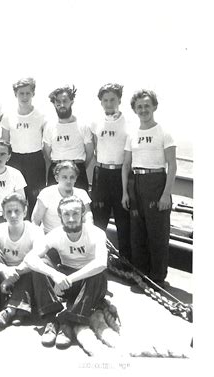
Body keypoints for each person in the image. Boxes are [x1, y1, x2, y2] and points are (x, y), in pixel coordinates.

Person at [25, 196, 108, 349]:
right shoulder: (56, 234)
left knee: (98, 273)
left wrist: (68, 279)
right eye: (66, 215)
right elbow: (29, 258)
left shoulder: (96, 233)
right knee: (40, 264)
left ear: (83, 214)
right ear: (60, 217)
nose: (71, 219)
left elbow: (101, 263)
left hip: (89, 283)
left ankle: (68, 322)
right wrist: (54, 274)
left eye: (75, 214)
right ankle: (51, 319)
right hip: (65, 280)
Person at [121, 89, 177, 286]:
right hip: (136, 182)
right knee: (137, 233)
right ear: (135, 110)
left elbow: (172, 165)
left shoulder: (164, 132)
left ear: (154, 107)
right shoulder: (132, 135)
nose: (143, 110)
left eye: (147, 105)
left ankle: (158, 278)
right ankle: (140, 275)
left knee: (157, 234)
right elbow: (126, 164)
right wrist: (125, 192)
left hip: (156, 182)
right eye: (139, 107)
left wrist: (166, 194)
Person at [0, 193, 45, 328]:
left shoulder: (35, 230)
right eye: (9, 211)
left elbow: (39, 254)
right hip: (4, 274)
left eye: (17, 211)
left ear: (25, 211)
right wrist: (4, 270)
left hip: (26, 275)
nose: (13, 215)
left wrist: (12, 276)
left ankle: (9, 310)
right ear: (3, 214)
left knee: (34, 261)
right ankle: (19, 311)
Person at [90, 83, 131, 260]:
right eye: (105, 100)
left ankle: (125, 260)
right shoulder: (95, 123)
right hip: (101, 174)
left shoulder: (129, 123)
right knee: (99, 220)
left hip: (121, 175)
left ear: (119, 100)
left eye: (112, 99)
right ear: (101, 103)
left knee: (123, 220)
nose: (109, 103)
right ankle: (98, 260)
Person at [1, 78, 47, 215]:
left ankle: (34, 228)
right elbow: (5, 142)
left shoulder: (42, 116)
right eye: (21, 93)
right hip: (15, 160)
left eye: (28, 93)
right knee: (15, 197)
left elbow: (46, 142)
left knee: (35, 197)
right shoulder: (8, 116)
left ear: (33, 94)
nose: (25, 97)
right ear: (16, 94)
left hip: (35, 160)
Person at [43, 85, 94, 190]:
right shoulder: (49, 126)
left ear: (71, 101)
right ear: (54, 104)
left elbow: (90, 152)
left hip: (77, 170)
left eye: (65, 101)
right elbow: (47, 153)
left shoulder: (83, 125)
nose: (62, 105)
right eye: (58, 102)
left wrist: (78, 166)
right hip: (56, 170)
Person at [32, 160, 92, 234]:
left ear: (76, 178)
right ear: (57, 178)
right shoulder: (46, 193)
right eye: (64, 177)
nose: (68, 181)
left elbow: (88, 217)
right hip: (51, 237)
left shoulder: (82, 193)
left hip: (74, 237)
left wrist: (90, 232)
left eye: (72, 177)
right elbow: (35, 221)